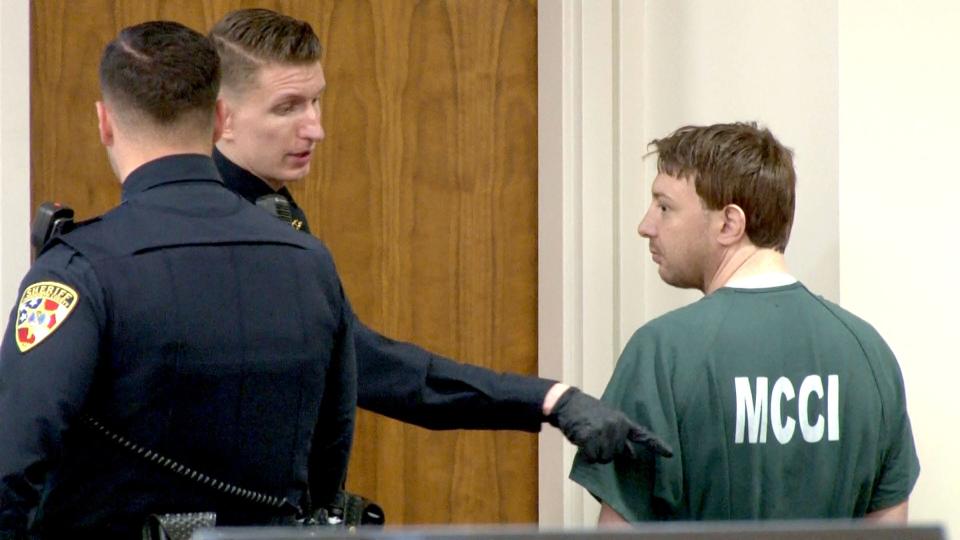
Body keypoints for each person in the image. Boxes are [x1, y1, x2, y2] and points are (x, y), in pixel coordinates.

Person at [207, 8, 671, 462]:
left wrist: (551, 398)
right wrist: (548, 399)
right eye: (287, 108)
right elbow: (370, 367)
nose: (316, 129)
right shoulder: (213, 228)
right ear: (221, 117)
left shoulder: (272, 208)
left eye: (315, 100)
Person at [0, 21, 356, 536]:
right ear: (218, 119)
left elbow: (12, 462)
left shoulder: (77, 271)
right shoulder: (309, 261)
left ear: (105, 122)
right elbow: (329, 455)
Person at [569, 122, 920, 523]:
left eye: (664, 207)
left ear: (729, 224)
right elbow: (891, 526)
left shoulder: (661, 354)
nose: (646, 225)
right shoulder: (868, 352)